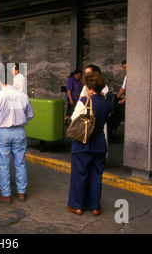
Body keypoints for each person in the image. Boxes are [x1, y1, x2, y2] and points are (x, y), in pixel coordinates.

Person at [0, 69, 34, 204]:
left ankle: (6, 195)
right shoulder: (23, 96)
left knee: (3, 165)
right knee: (21, 164)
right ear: (12, 80)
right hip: (20, 132)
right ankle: (21, 193)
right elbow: (30, 115)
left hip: (2, 133)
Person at [67, 71, 111, 216]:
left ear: (90, 88)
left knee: (79, 174)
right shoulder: (106, 104)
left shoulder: (84, 101)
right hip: (99, 144)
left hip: (83, 143)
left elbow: (74, 119)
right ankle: (95, 207)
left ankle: (77, 205)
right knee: (96, 176)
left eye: (86, 85)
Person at [107, 60, 126, 142]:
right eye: (123, 68)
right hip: (125, 100)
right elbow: (123, 88)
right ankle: (109, 133)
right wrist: (116, 98)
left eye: (126, 67)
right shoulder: (126, 76)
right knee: (115, 116)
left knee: (118, 116)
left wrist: (124, 99)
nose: (125, 69)